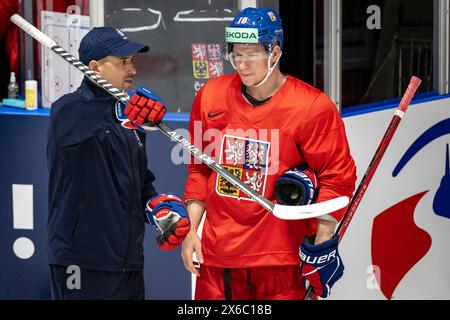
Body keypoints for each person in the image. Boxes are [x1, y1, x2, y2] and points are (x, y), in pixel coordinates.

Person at [179, 7, 357, 300]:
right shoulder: (210, 96)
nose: (242, 64)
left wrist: (323, 243)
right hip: (219, 258)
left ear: (275, 52)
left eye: (251, 54)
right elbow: (199, 169)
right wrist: (192, 231)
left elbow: (336, 178)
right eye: (236, 53)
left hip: (281, 261)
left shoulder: (311, 107)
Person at [47, 27, 190, 300]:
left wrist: (156, 207)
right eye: (123, 62)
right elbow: (79, 123)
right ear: (94, 67)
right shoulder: (67, 111)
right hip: (82, 264)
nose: (133, 70)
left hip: (128, 265)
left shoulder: (130, 121)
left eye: (132, 61)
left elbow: (137, 181)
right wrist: (118, 111)